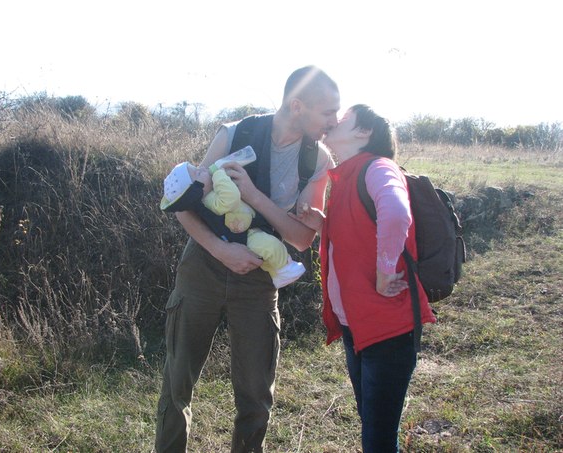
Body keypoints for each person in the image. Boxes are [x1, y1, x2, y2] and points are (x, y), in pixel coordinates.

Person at [155, 66, 340, 452]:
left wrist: (254, 197)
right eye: (327, 112)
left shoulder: (317, 161)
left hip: (259, 278)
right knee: (177, 384)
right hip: (203, 266)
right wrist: (221, 249)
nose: (334, 122)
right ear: (297, 106)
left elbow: (301, 239)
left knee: (256, 395)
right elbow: (183, 205)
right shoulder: (233, 134)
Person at [294, 104, 437, 452]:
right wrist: (321, 223)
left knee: (377, 438)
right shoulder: (347, 176)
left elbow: (396, 212)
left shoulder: (377, 167)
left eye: (343, 118)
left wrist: (385, 270)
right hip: (357, 326)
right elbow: (359, 235)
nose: (333, 121)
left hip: (387, 329)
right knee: (373, 425)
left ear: (364, 132)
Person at [159, 154, 306, 289]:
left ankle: (277, 275)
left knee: (265, 253)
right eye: (198, 173)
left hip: (247, 228)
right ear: (196, 192)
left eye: (197, 168)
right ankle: (285, 268)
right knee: (270, 245)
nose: (203, 168)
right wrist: (219, 174)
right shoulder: (209, 201)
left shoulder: (210, 193)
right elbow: (231, 197)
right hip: (245, 236)